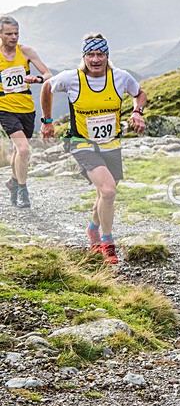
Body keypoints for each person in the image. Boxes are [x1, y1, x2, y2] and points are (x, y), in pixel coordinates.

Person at [41, 34, 146, 263]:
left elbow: (140, 93)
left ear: (107, 56)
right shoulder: (72, 79)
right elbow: (47, 87)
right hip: (81, 143)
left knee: (105, 194)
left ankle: (92, 228)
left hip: (111, 143)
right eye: (91, 54)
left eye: (100, 54)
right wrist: (47, 121)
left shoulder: (120, 77)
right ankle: (107, 243)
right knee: (108, 191)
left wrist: (137, 112)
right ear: (84, 56)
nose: (95, 59)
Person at [0, 15, 53, 208]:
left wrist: (37, 79)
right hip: (5, 108)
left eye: (16, 33)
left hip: (27, 107)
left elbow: (48, 75)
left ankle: (12, 183)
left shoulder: (27, 51)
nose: (13, 37)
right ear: (0, 34)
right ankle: (22, 190)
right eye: (9, 34)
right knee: (24, 149)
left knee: (17, 151)